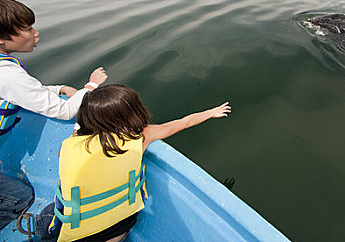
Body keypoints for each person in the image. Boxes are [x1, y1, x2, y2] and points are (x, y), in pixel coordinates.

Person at [41, 84, 230, 242]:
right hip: (119, 230)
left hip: (75, 235)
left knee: (49, 215)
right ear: (132, 113)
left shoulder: (70, 144)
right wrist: (211, 112)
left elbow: (64, 155)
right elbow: (184, 122)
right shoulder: (140, 137)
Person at [0, 0, 108, 230]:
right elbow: (64, 110)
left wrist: (57, 88)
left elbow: (21, 92)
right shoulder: (7, 74)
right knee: (20, 197)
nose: (35, 33)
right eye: (27, 29)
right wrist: (90, 86)